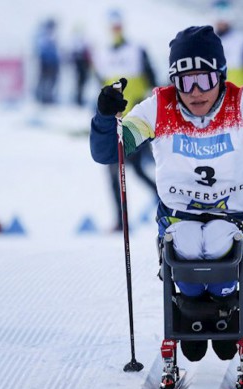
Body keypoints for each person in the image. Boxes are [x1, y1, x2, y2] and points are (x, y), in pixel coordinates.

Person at [89, 26, 243, 388]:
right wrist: (105, 119)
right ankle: (192, 308)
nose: (195, 92)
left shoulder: (242, 104)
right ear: (173, 81)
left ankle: (226, 303)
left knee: (217, 243)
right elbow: (107, 152)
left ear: (221, 75)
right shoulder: (158, 107)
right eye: (185, 81)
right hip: (180, 214)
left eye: (205, 79)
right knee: (187, 246)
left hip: (239, 216)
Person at [92, 9, 158, 231]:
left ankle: (164, 201)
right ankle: (120, 221)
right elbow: (101, 85)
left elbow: (152, 81)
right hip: (114, 122)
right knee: (112, 171)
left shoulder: (137, 50)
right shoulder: (101, 53)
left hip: (136, 122)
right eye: (112, 25)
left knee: (137, 169)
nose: (116, 29)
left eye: (118, 25)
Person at [212, 0, 243, 89]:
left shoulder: (242, 40)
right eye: (218, 16)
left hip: (239, 93)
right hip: (218, 94)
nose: (221, 21)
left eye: (225, 16)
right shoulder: (210, 41)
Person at [34, 18, 61, 105]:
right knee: (44, 79)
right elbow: (41, 48)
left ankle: (48, 97)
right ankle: (41, 97)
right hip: (45, 62)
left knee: (52, 80)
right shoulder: (43, 35)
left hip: (54, 62)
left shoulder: (54, 35)